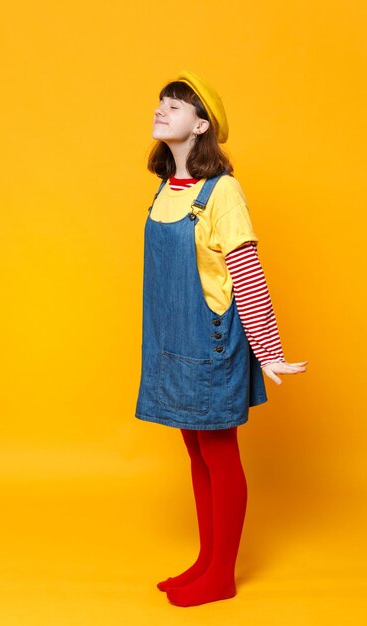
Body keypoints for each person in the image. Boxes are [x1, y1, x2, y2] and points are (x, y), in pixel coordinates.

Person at [134, 69, 308, 608]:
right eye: (161, 102)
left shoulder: (223, 192)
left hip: (207, 347)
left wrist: (269, 351)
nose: (162, 109)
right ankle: (206, 561)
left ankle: (221, 576)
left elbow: (247, 274)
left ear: (201, 124)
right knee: (195, 450)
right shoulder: (166, 188)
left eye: (176, 105)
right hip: (168, 343)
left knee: (218, 451)